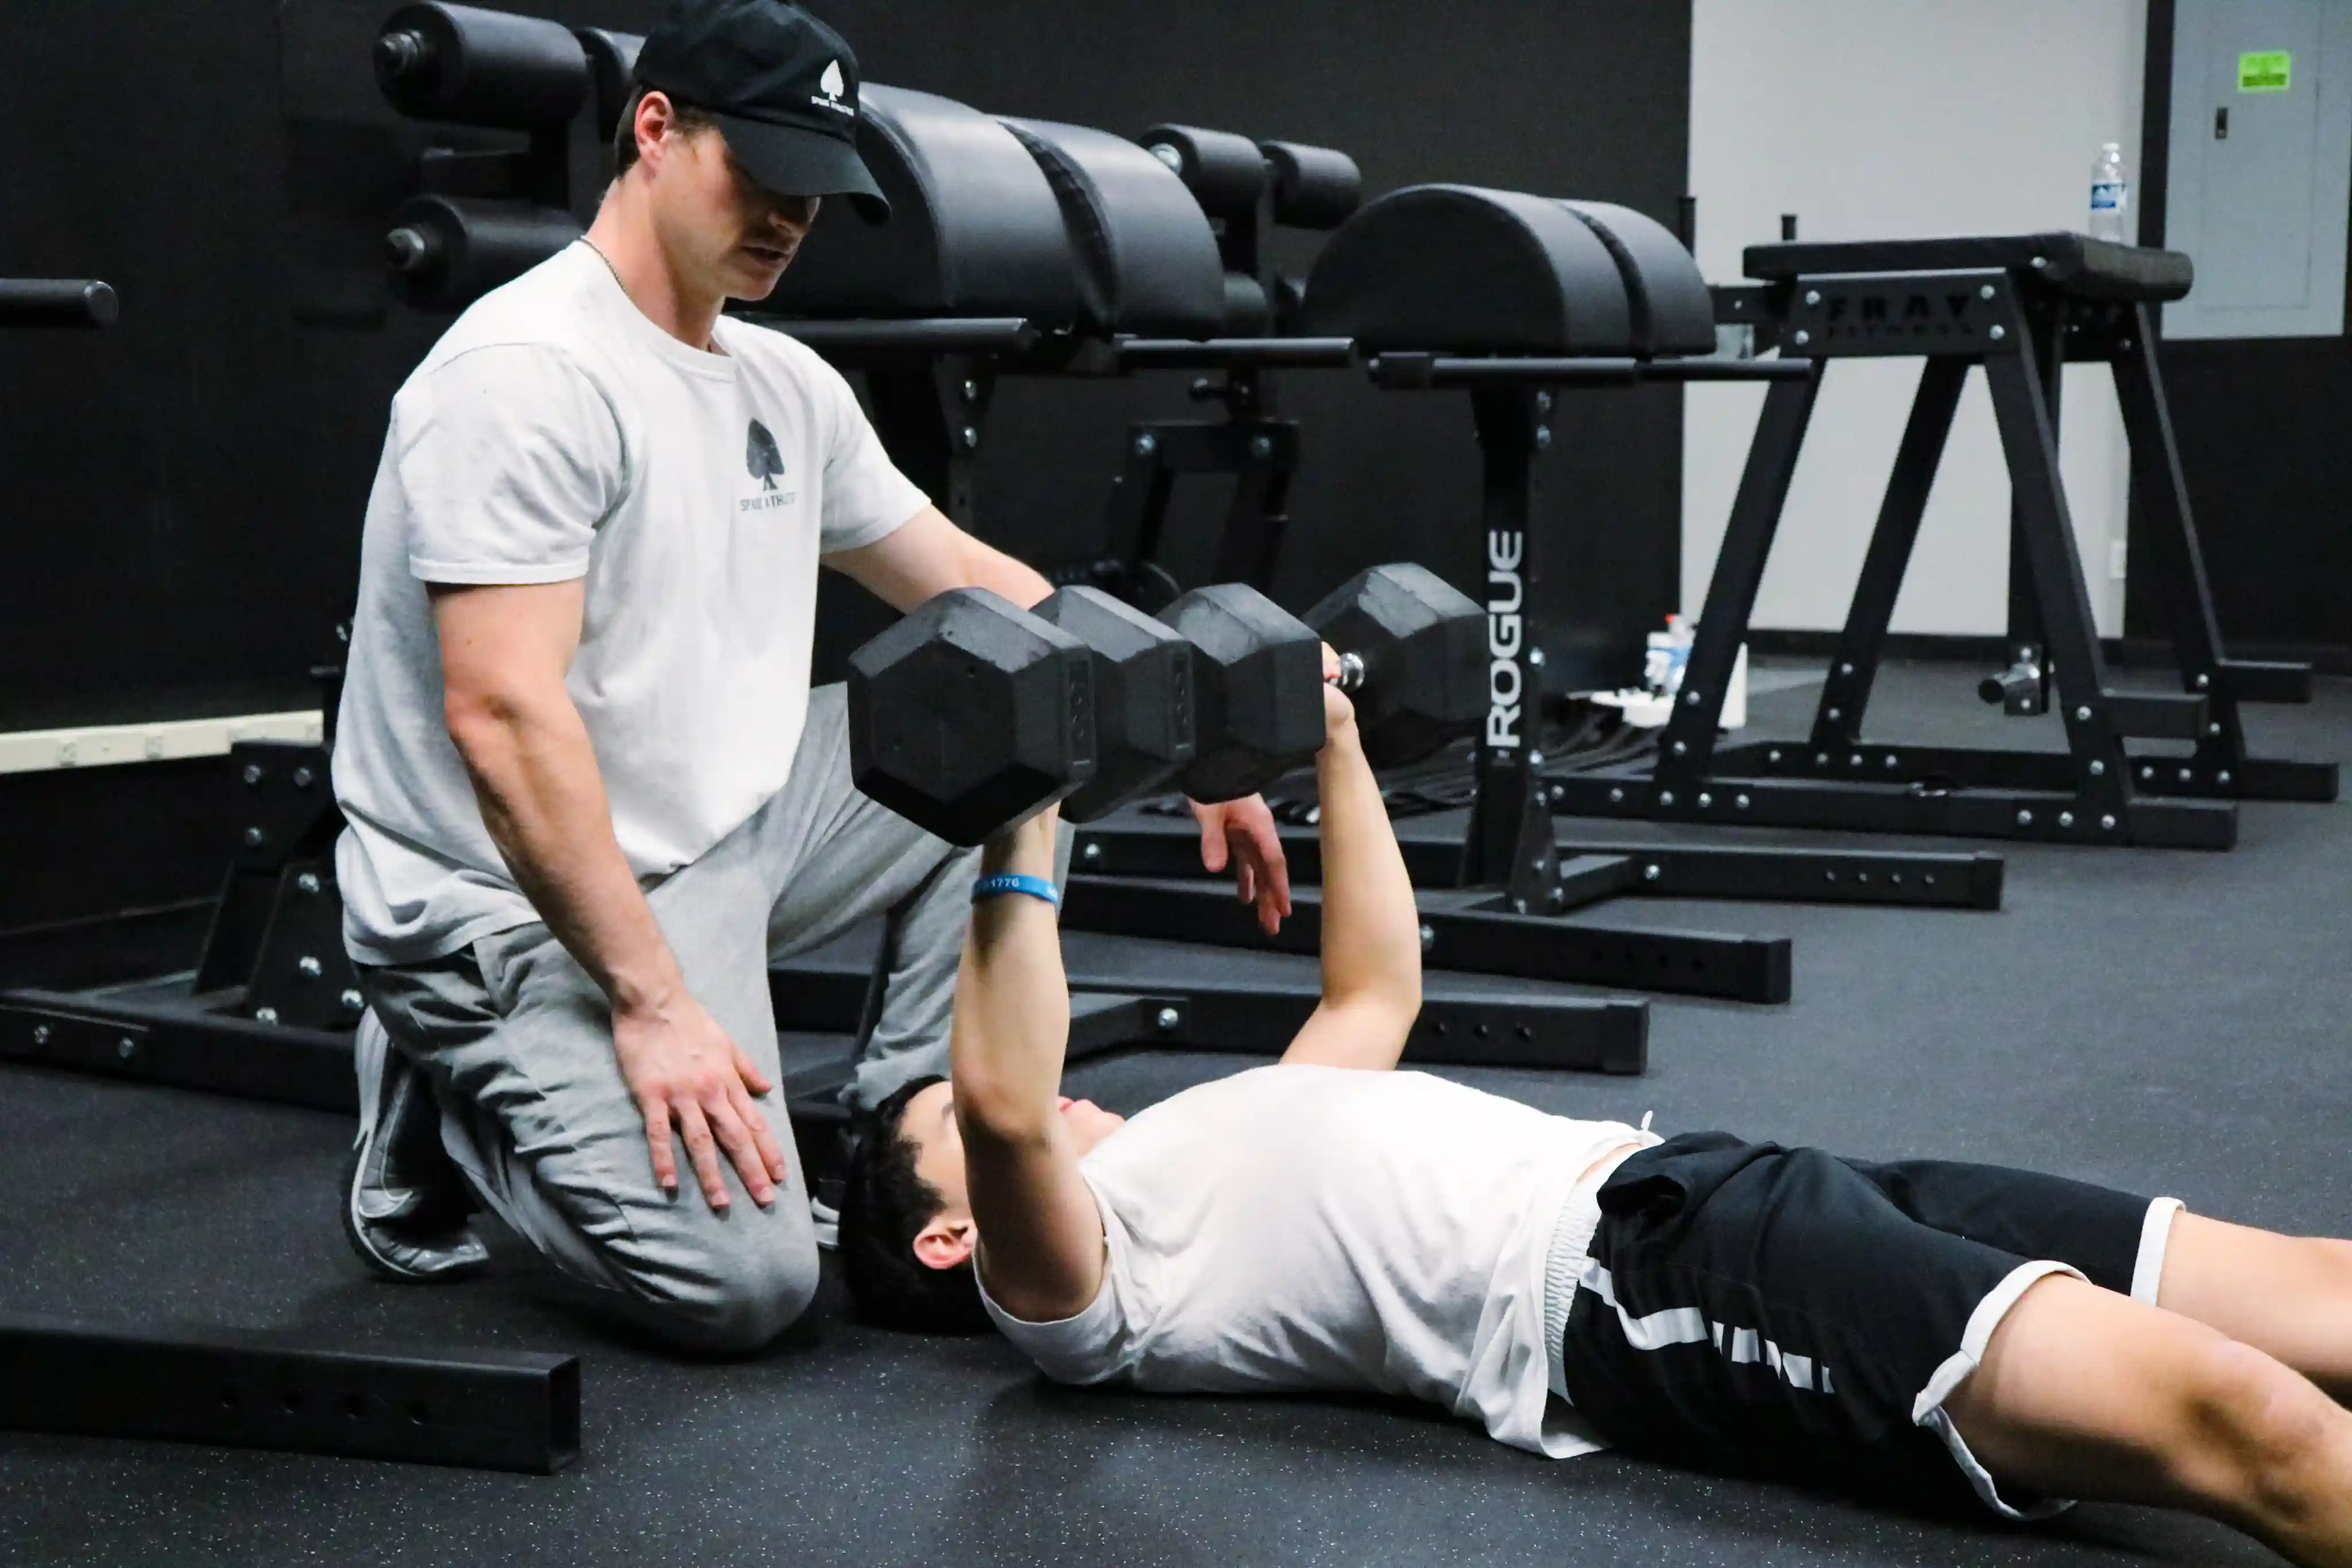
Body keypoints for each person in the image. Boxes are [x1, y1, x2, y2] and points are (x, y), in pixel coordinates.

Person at [839, 653, 2352, 1567]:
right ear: (952, 1235)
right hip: (1643, 1287)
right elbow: (1007, 1098)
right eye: (961, 1141)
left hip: (1719, 1182)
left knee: (2314, 1292)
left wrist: (1335, 750)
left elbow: (1373, 990)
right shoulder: (1077, 1294)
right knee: (2247, 1423)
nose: (1052, 1097)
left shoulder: (1210, 1148)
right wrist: (1021, 801)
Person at [329, 0, 1289, 1353]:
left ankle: (905, 1126)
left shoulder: (785, 384)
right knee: (742, 1292)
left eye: (814, 193)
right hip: (511, 898)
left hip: (736, 832)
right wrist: (656, 1007)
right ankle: (444, 1090)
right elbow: (500, 716)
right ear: (654, 131)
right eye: (759, 177)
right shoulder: (524, 375)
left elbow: (964, 575)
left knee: (1040, 717)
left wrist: (1184, 737)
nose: (786, 217)